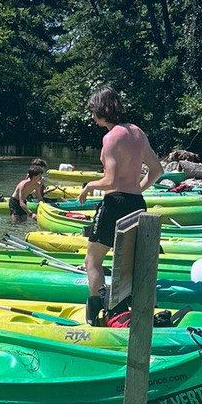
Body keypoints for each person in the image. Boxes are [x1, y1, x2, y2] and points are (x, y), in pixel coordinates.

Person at [77, 86, 163, 325]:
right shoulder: (137, 132)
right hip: (137, 203)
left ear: (102, 109)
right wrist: (136, 190)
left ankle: (97, 311)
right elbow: (157, 170)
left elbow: (111, 180)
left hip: (114, 204)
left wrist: (88, 186)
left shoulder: (111, 137)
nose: (92, 117)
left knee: (92, 260)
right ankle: (136, 307)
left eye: (93, 111)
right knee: (133, 260)